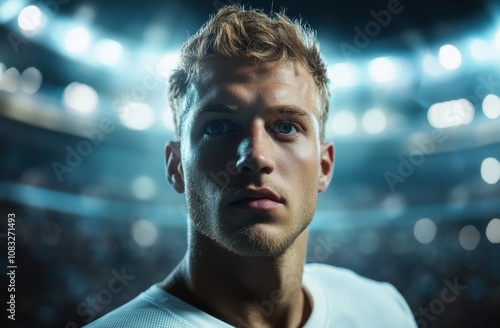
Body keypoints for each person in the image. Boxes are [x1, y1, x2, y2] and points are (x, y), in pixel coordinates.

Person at [86, 5, 417, 327]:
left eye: (286, 127)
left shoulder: (384, 311)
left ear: (324, 166)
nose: (256, 156)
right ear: (176, 167)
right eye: (218, 127)